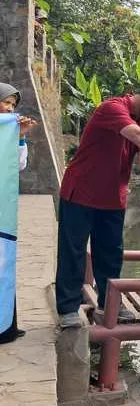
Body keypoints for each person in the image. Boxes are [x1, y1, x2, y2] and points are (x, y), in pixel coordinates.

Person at [56, 81, 140, 328]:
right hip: (80, 192)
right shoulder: (112, 108)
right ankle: (68, 308)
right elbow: (137, 135)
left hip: (114, 196)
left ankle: (110, 302)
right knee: (74, 251)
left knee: (111, 254)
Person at [0, 83, 37, 344]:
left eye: (13, 105)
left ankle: (6, 327)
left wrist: (20, 135)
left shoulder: (7, 132)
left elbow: (19, 165)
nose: (9, 109)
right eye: (6, 103)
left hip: (4, 212)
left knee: (4, 266)